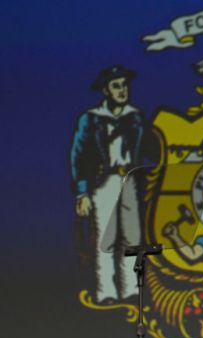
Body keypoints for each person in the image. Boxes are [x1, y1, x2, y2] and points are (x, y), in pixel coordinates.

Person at [70, 65, 148, 303]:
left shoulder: (135, 117)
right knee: (106, 238)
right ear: (106, 90)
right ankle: (106, 291)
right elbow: (79, 155)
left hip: (130, 181)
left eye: (124, 85)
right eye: (116, 86)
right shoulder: (91, 119)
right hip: (104, 181)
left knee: (132, 239)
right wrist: (82, 192)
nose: (122, 90)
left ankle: (132, 289)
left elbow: (146, 149)